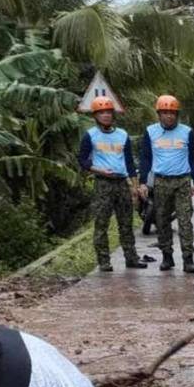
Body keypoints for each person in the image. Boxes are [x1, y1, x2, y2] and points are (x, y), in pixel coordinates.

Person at [77, 96, 142, 273]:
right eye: (101, 113)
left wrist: (135, 187)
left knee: (126, 222)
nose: (105, 115)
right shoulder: (90, 135)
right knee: (101, 223)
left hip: (122, 183)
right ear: (95, 116)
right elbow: (82, 160)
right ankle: (104, 261)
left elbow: (129, 162)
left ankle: (131, 258)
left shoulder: (122, 135)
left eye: (108, 112)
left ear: (113, 114)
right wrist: (98, 171)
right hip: (103, 183)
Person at [138, 94, 194, 274]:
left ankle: (188, 259)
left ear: (177, 114)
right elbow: (145, 158)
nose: (169, 116)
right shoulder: (150, 132)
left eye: (172, 113)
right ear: (159, 114)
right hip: (160, 181)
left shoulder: (186, 132)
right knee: (162, 219)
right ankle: (167, 256)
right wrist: (143, 182)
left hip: (182, 181)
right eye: (165, 113)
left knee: (185, 221)